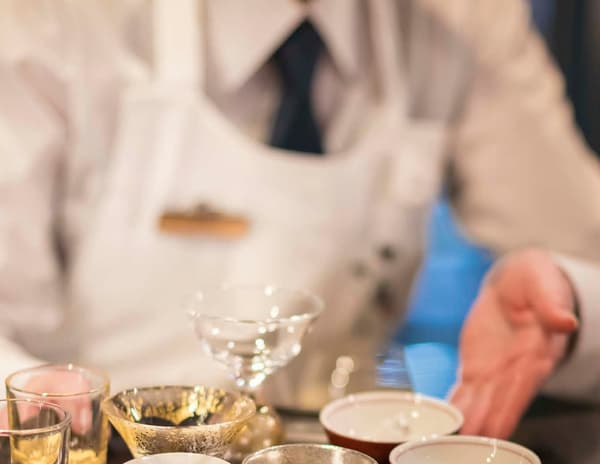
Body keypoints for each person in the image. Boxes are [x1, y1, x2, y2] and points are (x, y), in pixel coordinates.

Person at [0, 0, 599, 438]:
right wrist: (35, 393)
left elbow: (583, 254)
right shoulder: (54, 21)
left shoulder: (460, 21)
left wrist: (566, 298)